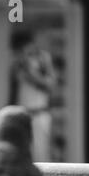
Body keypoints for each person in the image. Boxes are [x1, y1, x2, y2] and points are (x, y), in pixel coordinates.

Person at [11, 31, 56, 162]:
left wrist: (31, 74)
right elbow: (14, 91)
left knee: (41, 156)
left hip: (39, 113)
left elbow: (51, 85)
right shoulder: (17, 63)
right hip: (22, 114)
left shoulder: (42, 58)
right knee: (20, 154)